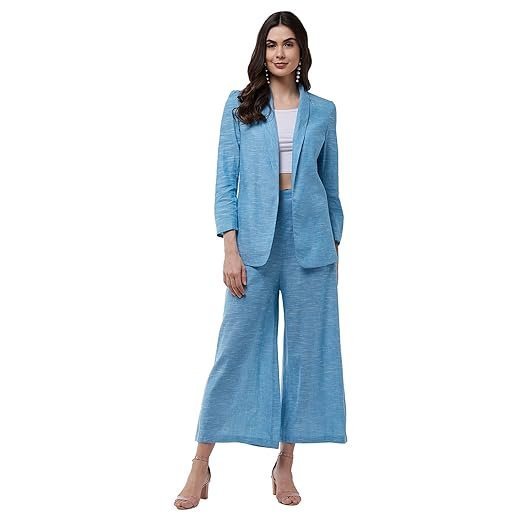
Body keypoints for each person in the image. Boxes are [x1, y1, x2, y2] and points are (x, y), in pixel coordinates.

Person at [174, 11, 347, 509]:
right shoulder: (240, 105)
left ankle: (285, 463)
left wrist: (335, 241)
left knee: (306, 354)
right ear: (261, 51)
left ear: (301, 51)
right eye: (271, 44)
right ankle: (200, 463)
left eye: (288, 43)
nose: (279, 52)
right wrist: (230, 247)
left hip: (312, 243)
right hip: (253, 241)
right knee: (235, 348)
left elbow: (331, 184)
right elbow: (225, 182)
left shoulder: (324, 111)